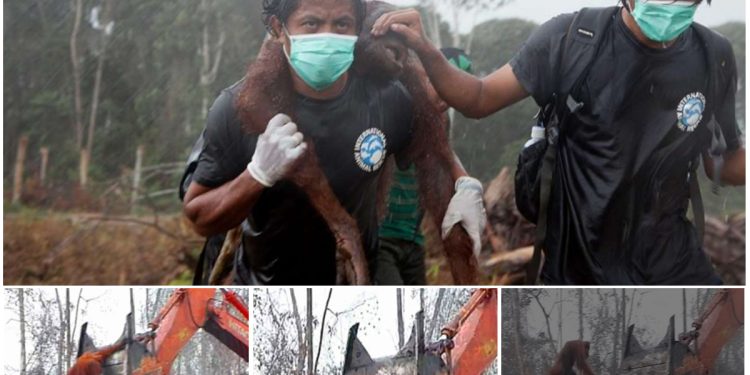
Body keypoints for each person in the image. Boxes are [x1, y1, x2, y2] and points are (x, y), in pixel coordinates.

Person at [372, 0, 745, 285]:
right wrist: (424, 49)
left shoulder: (713, 56)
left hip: (673, 264)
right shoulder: (572, 40)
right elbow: (479, 98)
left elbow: (719, 162)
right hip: (579, 268)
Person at [182, 0, 484, 285]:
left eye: (341, 24)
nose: (326, 38)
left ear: (357, 30)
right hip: (264, 284)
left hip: (355, 283)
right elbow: (199, 216)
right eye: (311, 24)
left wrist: (463, 184)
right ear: (278, 28)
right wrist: (256, 175)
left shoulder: (388, 100)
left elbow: (431, 152)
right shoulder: (242, 104)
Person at [375, 47, 474, 285]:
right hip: (381, 239)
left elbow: (441, 163)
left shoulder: (441, 122)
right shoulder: (395, 105)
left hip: (413, 238)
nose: (445, 95)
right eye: (437, 82)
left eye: (454, 87)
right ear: (422, 77)